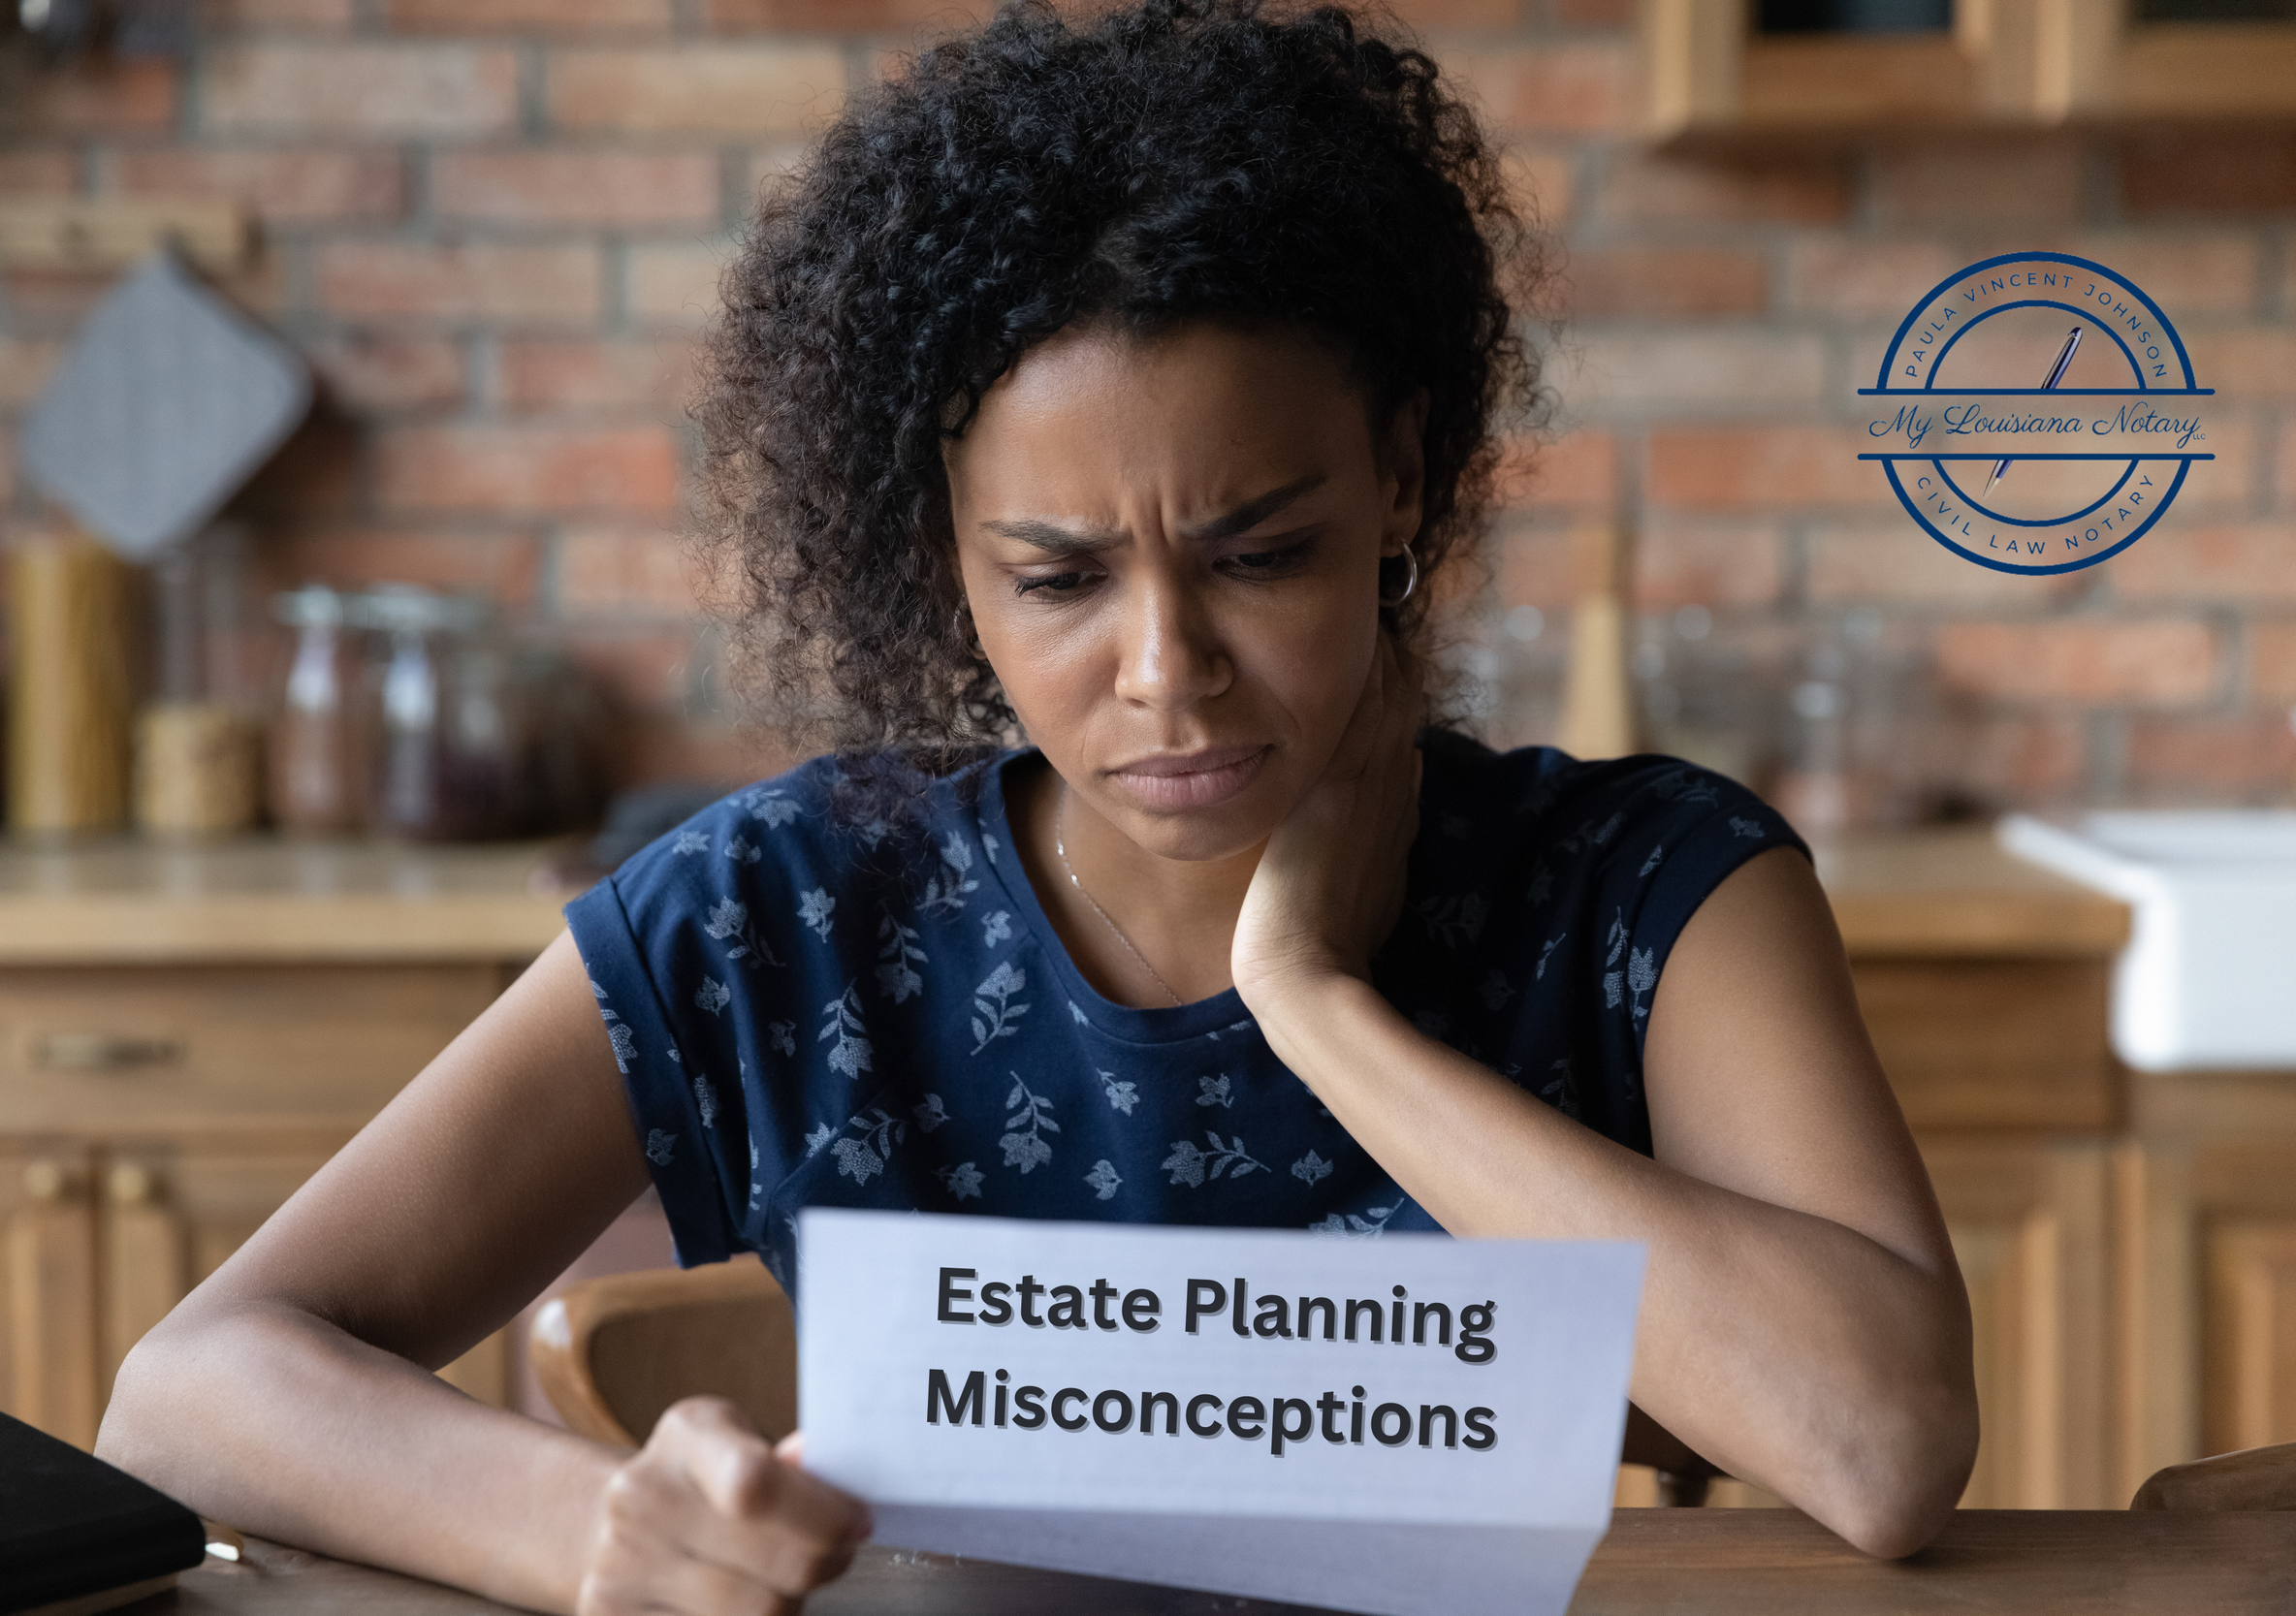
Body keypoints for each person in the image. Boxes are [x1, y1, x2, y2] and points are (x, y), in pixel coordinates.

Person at [97, 0, 1978, 1608]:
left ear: (1401, 479)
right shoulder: (792, 906)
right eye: (1059, 577)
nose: (1164, 664)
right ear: (946, 561)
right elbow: (190, 1388)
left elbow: (1878, 1440)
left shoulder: (1646, 888)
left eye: (1263, 550)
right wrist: (600, 1526)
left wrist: (1318, 1006)